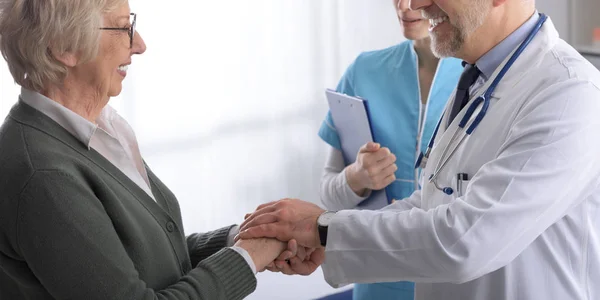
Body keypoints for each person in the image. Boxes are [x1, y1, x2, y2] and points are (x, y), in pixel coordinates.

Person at [238, 0, 600, 299]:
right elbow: (429, 202)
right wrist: (325, 237)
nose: (413, 5)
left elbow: (466, 242)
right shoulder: (477, 81)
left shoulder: (569, 94)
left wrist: (322, 230)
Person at [0, 1, 305, 299]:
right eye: (123, 28)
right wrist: (249, 256)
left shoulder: (101, 130)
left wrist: (241, 239)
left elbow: (145, 261)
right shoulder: (43, 175)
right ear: (63, 46)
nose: (139, 44)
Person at [318, 0, 462, 299]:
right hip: (377, 277)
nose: (405, 6)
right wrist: (355, 179)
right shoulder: (364, 72)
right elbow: (328, 193)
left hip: (451, 279)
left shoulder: (480, 77)